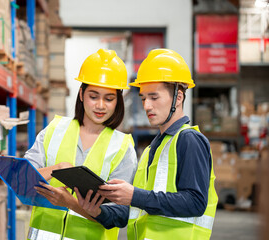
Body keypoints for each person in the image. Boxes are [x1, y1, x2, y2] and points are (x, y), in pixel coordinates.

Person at [77, 48, 218, 240]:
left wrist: (135, 195)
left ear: (178, 97)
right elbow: (137, 212)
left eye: (154, 97)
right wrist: (98, 211)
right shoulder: (155, 148)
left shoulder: (189, 140)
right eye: (143, 98)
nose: (146, 106)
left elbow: (196, 202)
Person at [23, 49, 138, 240]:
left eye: (109, 99)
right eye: (94, 96)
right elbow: (22, 179)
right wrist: (56, 169)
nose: (100, 105)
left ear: (118, 101)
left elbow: (119, 216)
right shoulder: (55, 129)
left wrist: (71, 203)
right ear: (82, 94)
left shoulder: (122, 148)